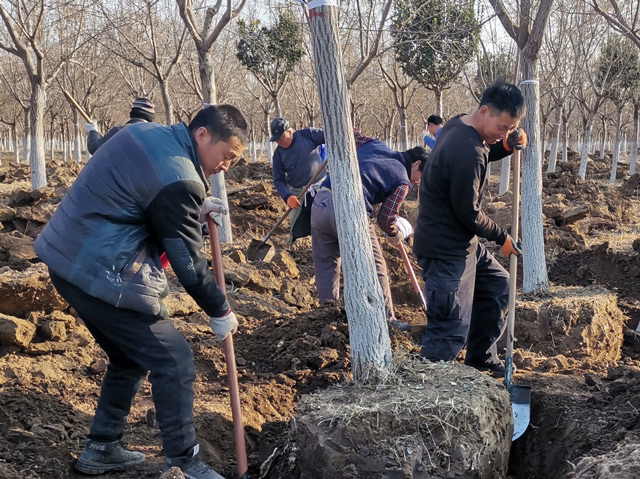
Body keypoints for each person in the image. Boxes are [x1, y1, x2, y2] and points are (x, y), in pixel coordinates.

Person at [34, 105, 248, 479]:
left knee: (129, 356)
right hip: (98, 269)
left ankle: (102, 448)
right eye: (226, 155)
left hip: (67, 257)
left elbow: (136, 192)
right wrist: (220, 309)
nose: (225, 166)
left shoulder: (147, 133)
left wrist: (191, 206)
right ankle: (185, 462)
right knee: (174, 359)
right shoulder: (180, 180)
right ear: (201, 135)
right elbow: (188, 263)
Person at [412, 81, 527, 374]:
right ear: (485, 111)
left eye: (509, 129)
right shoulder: (469, 151)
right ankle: (430, 385)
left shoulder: (459, 125)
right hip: (445, 250)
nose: (504, 132)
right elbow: (469, 213)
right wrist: (502, 237)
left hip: (463, 245)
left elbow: (484, 150)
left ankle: (481, 357)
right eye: (502, 128)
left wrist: (504, 145)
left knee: (498, 286)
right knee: (451, 326)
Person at [311, 129, 427, 332]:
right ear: (416, 163)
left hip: (321, 203)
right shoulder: (402, 182)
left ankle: (328, 320)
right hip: (350, 213)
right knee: (376, 266)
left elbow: (346, 130)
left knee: (327, 265)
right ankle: (388, 321)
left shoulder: (375, 144)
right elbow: (385, 218)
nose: (418, 182)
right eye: (422, 176)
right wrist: (394, 233)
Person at [270, 117, 327, 244]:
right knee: (298, 228)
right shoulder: (278, 154)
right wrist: (287, 196)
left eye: (280, 138)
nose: (278, 142)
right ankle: (298, 251)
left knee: (325, 223)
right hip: (297, 193)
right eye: (276, 139)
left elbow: (330, 135)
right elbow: (278, 179)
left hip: (321, 187)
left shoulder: (309, 135)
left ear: (289, 132)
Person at [86, 97, 156, 154]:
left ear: (133, 113)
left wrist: (93, 131)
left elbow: (95, 148)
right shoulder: (156, 134)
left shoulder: (120, 130)